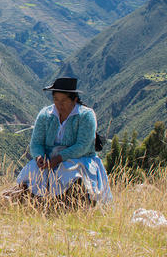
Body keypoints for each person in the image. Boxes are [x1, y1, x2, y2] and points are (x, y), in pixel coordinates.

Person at [7, 77, 112, 206]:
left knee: (68, 171)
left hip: (79, 158)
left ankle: (67, 204)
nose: (59, 104)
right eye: (56, 100)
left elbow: (83, 146)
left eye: (64, 101)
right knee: (33, 170)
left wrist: (59, 158)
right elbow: (36, 142)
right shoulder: (46, 115)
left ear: (74, 100)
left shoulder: (86, 115)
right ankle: (26, 202)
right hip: (49, 159)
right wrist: (39, 156)